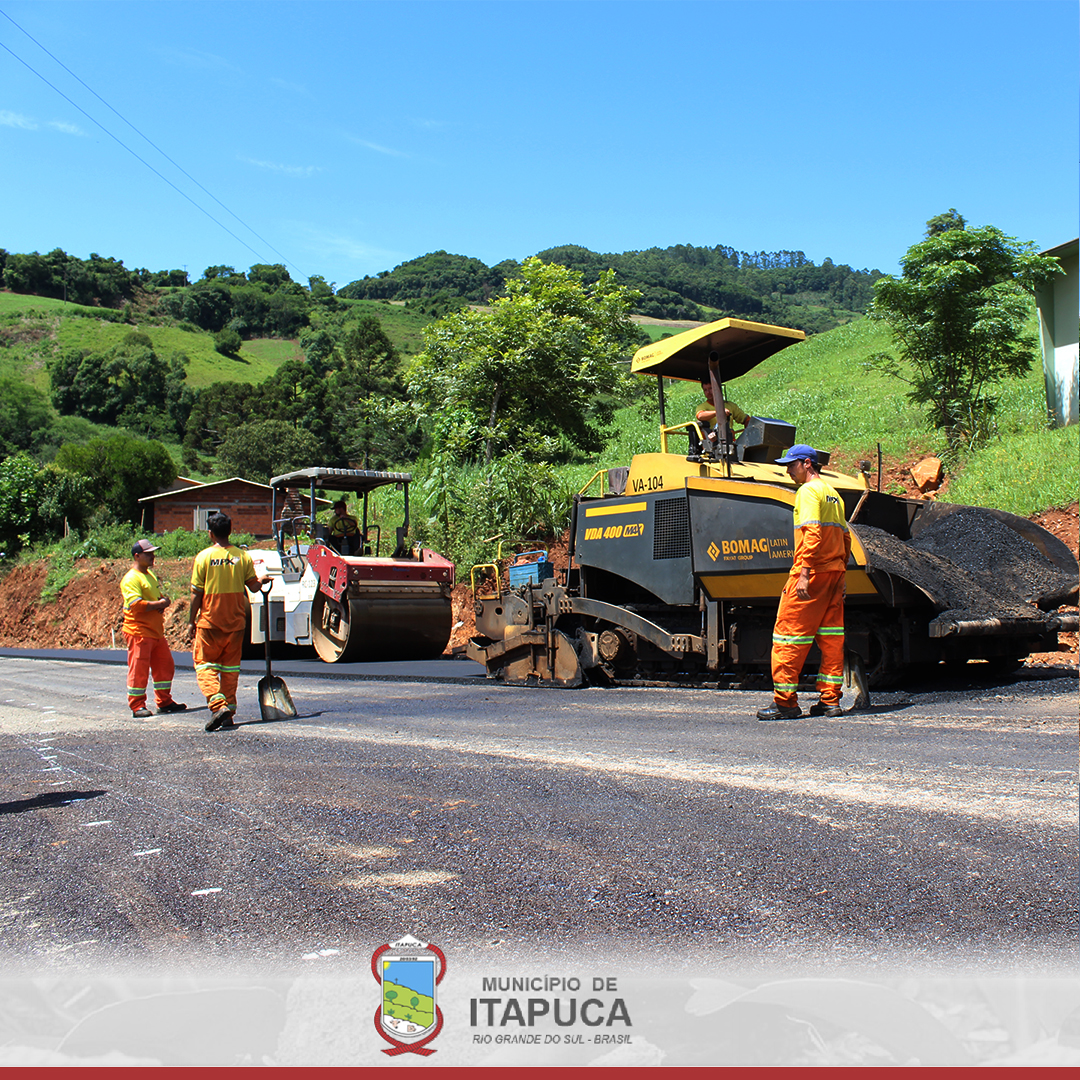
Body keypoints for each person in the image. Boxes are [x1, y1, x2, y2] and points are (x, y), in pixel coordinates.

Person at [757, 444, 851, 722]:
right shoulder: (833, 494)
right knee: (831, 639)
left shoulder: (808, 491)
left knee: (788, 636)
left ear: (807, 463)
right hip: (834, 574)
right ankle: (830, 701)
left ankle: (785, 702)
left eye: (791, 465)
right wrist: (842, 574)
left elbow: (812, 534)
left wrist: (804, 572)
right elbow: (845, 538)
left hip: (814, 573)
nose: (788, 471)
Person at [189, 512, 271, 732]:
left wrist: (190, 621)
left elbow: (196, 593)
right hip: (235, 623)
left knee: (204, 665)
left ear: (210, 533)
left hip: (210, 622)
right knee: (230, 669)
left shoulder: (203, 557)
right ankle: (229, 713)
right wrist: (262, 580)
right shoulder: (242, 556)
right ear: (230, 531)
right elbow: (253, 586)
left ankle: (219, 706)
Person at [121, 539, 186, 718]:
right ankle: (137, 705)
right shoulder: (131, 579)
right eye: (148, 553)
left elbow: (153, 599)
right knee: (139, 670)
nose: (152, 556)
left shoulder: (149, 575)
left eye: (153, 553)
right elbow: (136, 605)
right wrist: (160, 603)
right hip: (139, 632)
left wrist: (162, 601)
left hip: (156, 631)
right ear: (137, 556)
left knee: (165, 666)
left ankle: (164, 702)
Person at [688, 380, 749, 457]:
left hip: (731, 442)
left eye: (710, 388)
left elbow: (746, 419)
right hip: (712, 444)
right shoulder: (702, 407)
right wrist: (719, 412)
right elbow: (700, 416)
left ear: (718, 389)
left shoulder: (730, 406)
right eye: (705, 390)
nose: (708, 392)